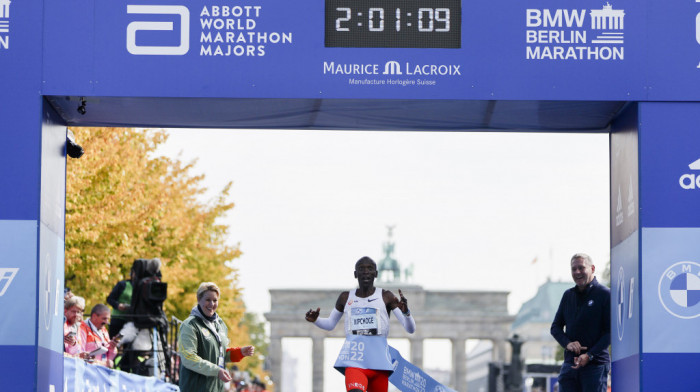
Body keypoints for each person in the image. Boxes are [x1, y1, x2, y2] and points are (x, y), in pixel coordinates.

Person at [305, 256, 416, 392]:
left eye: (370, 269)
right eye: (361, 269)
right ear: (355, 274)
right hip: (354, 362)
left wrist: (407, 313)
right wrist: (316, 320)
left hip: (379, 365)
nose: (365, 272)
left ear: (376, 274)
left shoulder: (386, 296)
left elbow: (410, 329)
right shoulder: (345, 297)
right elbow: (330, 324)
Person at [178, 282, 255, 392]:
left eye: (215, 300)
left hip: (216, 388)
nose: (212, 304)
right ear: (199, 300)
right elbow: (188, 357)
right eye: (208, 300)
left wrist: (240, 352)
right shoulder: (190, 325)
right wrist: (216, 370)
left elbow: (220, 354)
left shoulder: (220, 324)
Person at [551, 253, 610, 392]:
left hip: (595, 366)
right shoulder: (568, 295)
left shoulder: (605, 294)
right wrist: (567, 343)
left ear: (592, 268)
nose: (577, 272)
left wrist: (589, 355)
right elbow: (555, 327)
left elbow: (610, 332)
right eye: (574, 269)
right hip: (570, 365)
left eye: (581, 268)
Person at [80, 303, 119, 368]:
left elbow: (109, 355)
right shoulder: (82, 328)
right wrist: (103, 364)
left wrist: (113, 347)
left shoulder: (103, 329)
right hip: (88, 370)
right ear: (94, 316)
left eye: (108, 319)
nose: (107, 322)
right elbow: (81, 355)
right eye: (104, 319)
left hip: (101, 371)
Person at [106, 267, 134, 338]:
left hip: (133, 321)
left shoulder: (143, 287)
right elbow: (110, 299)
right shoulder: (122, 284)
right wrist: (118, 305)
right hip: (118, 319)